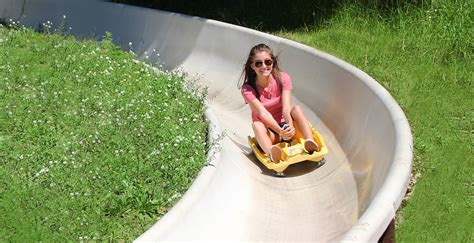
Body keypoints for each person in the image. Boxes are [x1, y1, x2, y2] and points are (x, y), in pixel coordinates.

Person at [240, 43, 320, 163]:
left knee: (296, 109)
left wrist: (290, 127)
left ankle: (309, 141)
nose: (264, 66)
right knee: (257, 125)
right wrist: (279, 131)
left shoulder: (283, 78)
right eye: (258, 63)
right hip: (271, 133)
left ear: (272, 62)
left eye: (267, 62)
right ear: (252, 66)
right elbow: (263, 114)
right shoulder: (248, 89)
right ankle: (272, 152)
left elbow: (286, 107)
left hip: (285, 125)